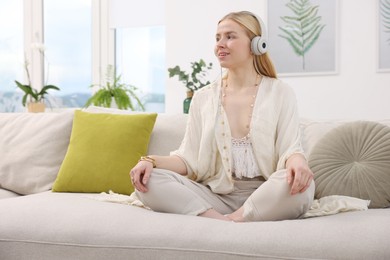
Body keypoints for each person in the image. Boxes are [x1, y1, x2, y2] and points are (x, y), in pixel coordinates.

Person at [129, 11, 315, 222]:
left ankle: (232, 218)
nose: (220, 44)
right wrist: (149, 161)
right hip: (213, 196)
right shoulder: (203, 97)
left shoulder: (280, 92)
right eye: (217, 38)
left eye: (230, 36)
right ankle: (221, 219)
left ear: (257, 44)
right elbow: (187, 159)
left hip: (266, 193)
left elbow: (290, 149)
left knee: (302, 187)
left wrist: (299, 162)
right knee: (150, 179)